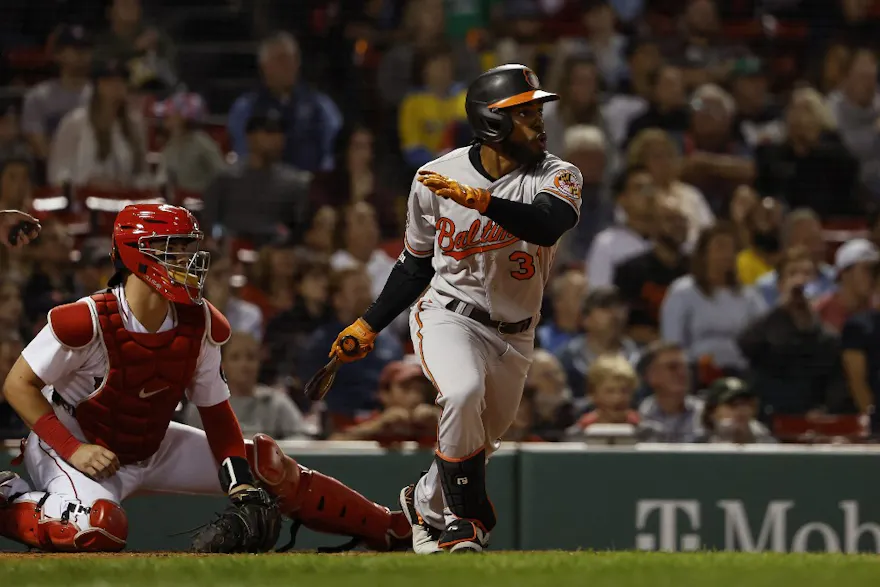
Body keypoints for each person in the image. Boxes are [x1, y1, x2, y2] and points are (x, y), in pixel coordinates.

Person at [0, 204, 410, 553]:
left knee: (264, 465)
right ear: (137, 255)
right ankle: (10, 498)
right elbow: (17, 385)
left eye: (186, 249)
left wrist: (238, 483)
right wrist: (74, 449)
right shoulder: (84, 319)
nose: (186, 261)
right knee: (100, 527)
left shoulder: (200, 322)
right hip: (75, 442)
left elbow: (216, 414)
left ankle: (386, 526)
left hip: (151, 443)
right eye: (172, 250)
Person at [324, 65, 584, 553]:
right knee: (462, 395)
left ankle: (423, 501)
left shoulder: (558, 174)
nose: (539, 122)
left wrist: (484, 202)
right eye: (524, 113)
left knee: (479, 441)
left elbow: (548, 224)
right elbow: (413, 264)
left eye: (537, 111)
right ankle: (468, 523)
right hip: (449, 313)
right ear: (492, 122)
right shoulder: (435, 177)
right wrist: (368, 323)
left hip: (517, 333)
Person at [737, 246, 839, 422]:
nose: (801, 281)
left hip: (813, 422)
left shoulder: (828, 338)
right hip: (769, 419)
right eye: (793, 274)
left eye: (807, 274)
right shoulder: (767, 327)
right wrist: (782, 307)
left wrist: (823, 409)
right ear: (780, 284)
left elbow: (834, 384)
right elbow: (745, 344)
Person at [661, 223, 766, 377]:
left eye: (731, 248)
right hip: (696, 373)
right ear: (703, 254)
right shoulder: (682, 292)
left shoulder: (748, 296)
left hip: (742, 372)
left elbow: (763, 336)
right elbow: (672, 342)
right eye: (720, 247)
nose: (727, 254)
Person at [228, 32, 342, 173]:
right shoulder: (246, 108)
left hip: (310, 186)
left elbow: (333, 150)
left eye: (293, 59)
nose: (289, 66)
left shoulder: (320, 105)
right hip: (264, 188)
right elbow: (243, 155)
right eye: (281, 59)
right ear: (264, 66)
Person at [201, 107, 312, 248]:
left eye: (280, 133)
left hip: (275, 252)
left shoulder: (296, 183)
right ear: (250, 136)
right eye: (269, 132)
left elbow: (298, 230)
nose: (277, 139)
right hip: (229, 250)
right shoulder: (225, 178)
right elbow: (210, 222)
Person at [184, 332, 314, 440]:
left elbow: (302, 440)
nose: (244, 365)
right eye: (235, 358)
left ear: (259, 363)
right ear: (222, 365)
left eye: (251, 357)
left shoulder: (275, 402)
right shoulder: (203, 406)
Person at [48, 59, 148, 189]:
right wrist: (87, 183)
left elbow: (144, 174)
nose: (116, 87)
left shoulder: (134, 125)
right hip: (84, 199)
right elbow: (58, 171)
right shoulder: (74, 123)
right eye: (109, 82)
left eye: (121, 82)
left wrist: (127, 185)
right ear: (97, 86)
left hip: (125, 199)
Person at [614, 196, 689, 344]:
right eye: (670, 220)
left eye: (682, 220)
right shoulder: (631, 270)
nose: (679, 225)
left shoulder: (696, 269)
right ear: (653, 226)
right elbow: (625, 327)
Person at [626, 128, 713, 249]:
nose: (665, 162)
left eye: (669, 155)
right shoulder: (638, 195)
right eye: (657, 157)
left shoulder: (691, 194)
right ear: (641, 162)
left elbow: (708, 231)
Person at [21, 24, 93, 163]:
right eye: (74, 49)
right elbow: (39, 147)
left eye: (85, 48)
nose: (81, 54)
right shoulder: (38, 97)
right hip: (51, 173)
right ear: (58, 54)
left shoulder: (100, 96)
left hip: (93, 172)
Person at [585, 165, 655, 289]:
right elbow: (598, 294)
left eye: (652, 188)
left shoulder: (668, 241)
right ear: (622, 199)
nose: (649, 195)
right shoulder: (606, 244)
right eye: (639, 188)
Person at [152, 91, 226, 193]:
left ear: (183, 117)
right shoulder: (171, 143)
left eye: (171, 113)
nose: (165, 117)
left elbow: (221, 174)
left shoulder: (202, 143)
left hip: (199, 203)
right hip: (176, 204)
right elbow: (162, 176)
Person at [566, 353, 640, 436]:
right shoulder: (577, 435)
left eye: (624, 390)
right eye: (610, 391)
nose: (618, 398)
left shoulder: (648, 433)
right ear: (593, 394)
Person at [815, 238, 879, 334]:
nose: (873, 277)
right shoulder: (822, 310)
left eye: (876, 271)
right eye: (867, 270)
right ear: (845, 273)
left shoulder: (876, 309)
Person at [699, 377, 775, 444]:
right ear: (712, 412)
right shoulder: (699, 445)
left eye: (746, 403)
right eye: (733, 404)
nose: (742, 409)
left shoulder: (765, 441)